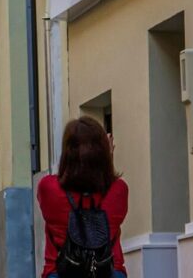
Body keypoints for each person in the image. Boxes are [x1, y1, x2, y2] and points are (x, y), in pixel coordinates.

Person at [38, 117, 128, 278]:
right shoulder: (118, 190)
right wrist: (107, 158)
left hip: (60, 272)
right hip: (107, 272)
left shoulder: (48, 188)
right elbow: (109, 181)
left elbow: (59, 180)